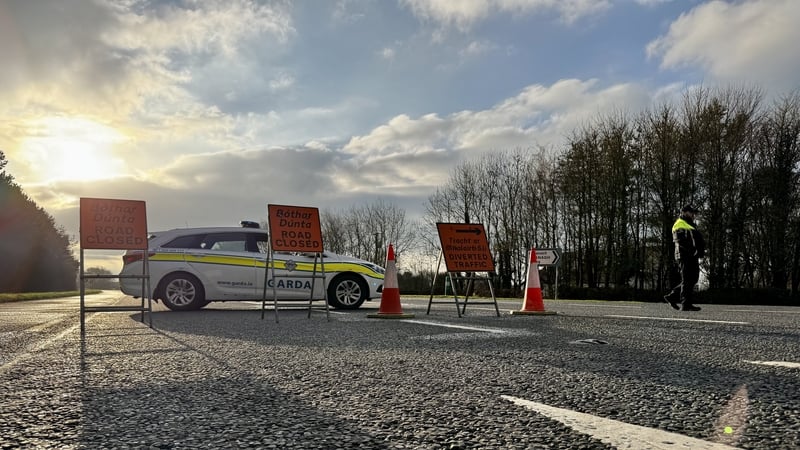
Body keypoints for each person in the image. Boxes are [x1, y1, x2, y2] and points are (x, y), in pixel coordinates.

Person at [664, 205, 705, 311]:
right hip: (684, 255)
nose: (693, 215)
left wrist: (699, 251)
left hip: (692, 255)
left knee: (693, 278)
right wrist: (693, 251)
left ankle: (673, 296)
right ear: (685, 213)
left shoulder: (689, 224)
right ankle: (686, 304)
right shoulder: (679, 223)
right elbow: (681, 241)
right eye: (691, 212)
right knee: (687, 279)